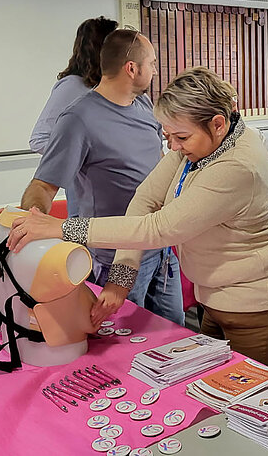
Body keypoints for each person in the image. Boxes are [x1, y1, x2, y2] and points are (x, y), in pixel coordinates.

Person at [5, 67, 268, 372]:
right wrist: (122, 277)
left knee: (252, 398)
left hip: (261, 304)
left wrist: (62, 228)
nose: (173, 147)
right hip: (220, 297)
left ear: (218, 123)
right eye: (168, 136)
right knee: (217, 386)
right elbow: (144, 200)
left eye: (180, 137)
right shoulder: (203, 143)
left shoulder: (238, 166)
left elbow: (160, 228)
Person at [17, 29, 184, 327]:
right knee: (121, 340)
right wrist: (30, 220)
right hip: (113, 259)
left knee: (174, 334)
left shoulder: (145, 107)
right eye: (153, 63)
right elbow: (43, 185)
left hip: (160, 249)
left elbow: (157, 163)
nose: (156, 70)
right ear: (132, 68)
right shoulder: (78, 119)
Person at [30, 16, 118, 217]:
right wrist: (84, 156)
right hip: (86, 198)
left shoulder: (114, 90)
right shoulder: (73, 86)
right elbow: (39, 139)